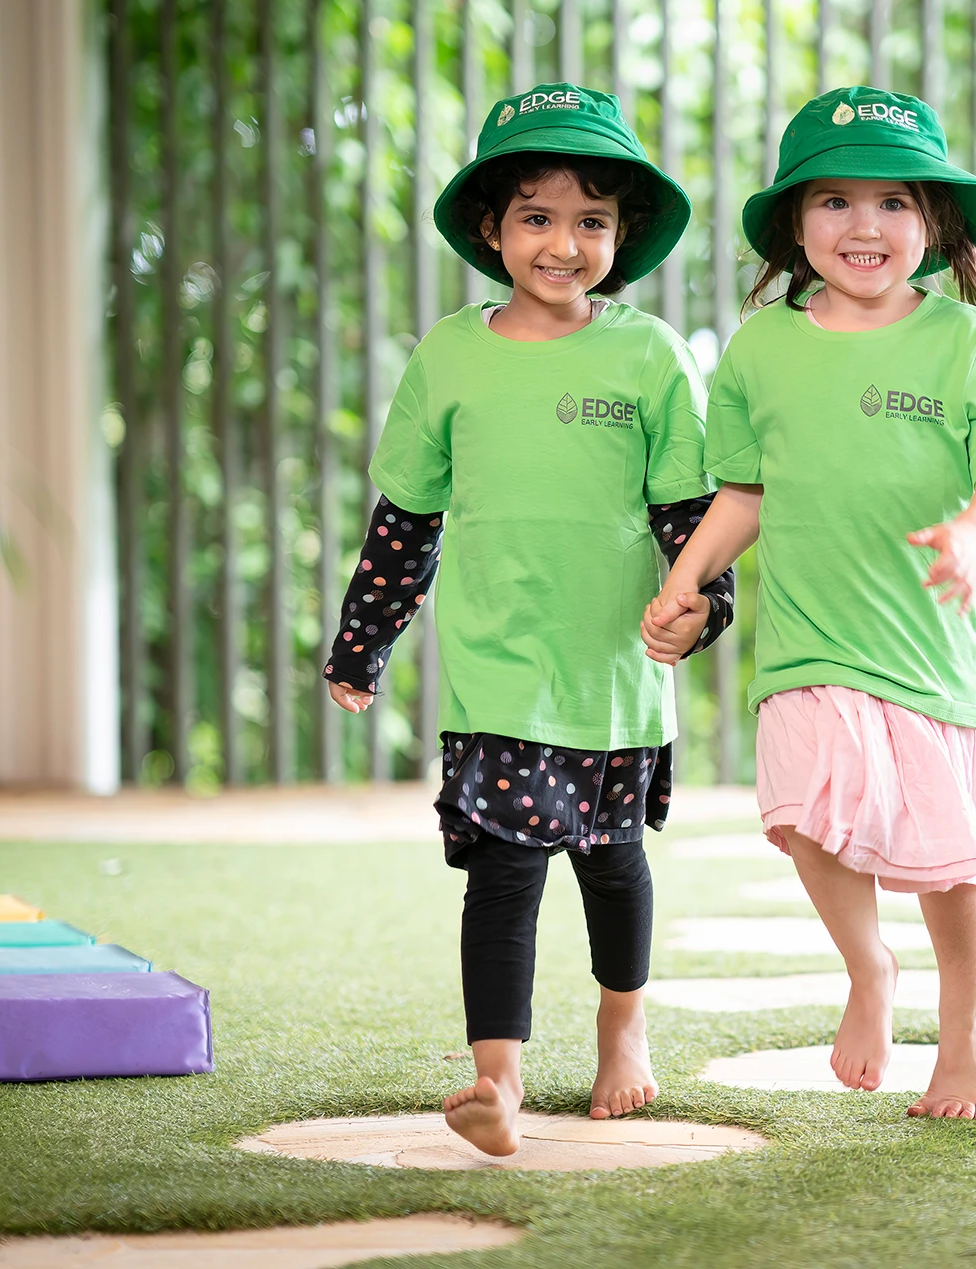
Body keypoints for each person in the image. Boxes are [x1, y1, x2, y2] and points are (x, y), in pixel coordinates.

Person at [643, 86, 976, 1120]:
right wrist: (683, 579)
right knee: (803, 814)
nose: (863, 225)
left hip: (924, 648)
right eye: (833, 201)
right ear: (795, 227)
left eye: (890, 200)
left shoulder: (969, 343)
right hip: (806, 640)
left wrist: (972, 534)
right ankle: (867, 969)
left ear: (930, 222)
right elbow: (745, 493)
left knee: (949, 854)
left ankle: (967, 1022)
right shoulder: (757, 349)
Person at [325, 81, 733, 1156]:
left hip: (612, 670)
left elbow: (690, 513)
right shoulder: (450, 357)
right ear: (492, 231)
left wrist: (702, 605)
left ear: (621, 235)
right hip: (497, 664)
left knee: (610, 862)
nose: (564, 243)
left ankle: (622, 1036)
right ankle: (494, 1082)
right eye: (537, 217)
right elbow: (407, 513)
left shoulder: (647, 354)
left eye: (590, 220)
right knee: (505, 870)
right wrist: (364, 635)